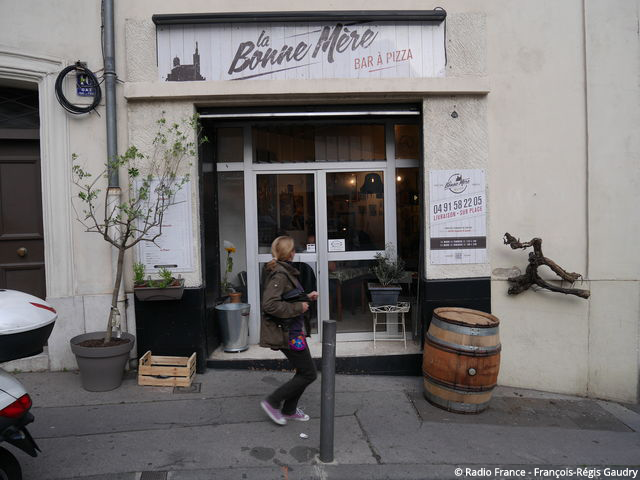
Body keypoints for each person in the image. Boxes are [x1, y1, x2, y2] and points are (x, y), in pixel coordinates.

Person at [259, 236, 319, 426]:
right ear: (289, 253)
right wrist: (298, 308)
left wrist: (306, 298)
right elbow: (269, 304)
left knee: (304, 371)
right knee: (309, 373)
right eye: (293, 249)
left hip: (294, 330)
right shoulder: (280, 274)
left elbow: (288, 297)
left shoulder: (283, 270)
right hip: (289, 332)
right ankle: (272, 402)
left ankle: (289, 410)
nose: (295, 252)